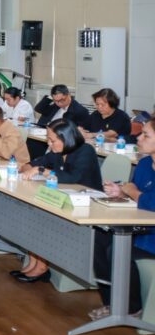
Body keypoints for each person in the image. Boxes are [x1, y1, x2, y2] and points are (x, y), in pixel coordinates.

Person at [17, 119, 103, 283]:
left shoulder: (85, 151)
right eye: (48, 139)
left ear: (67, 138)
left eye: (53, 140)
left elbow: (72, 178)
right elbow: (31, 164)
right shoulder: (57, 152)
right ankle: (35, 262)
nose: (49, 144)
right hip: (64, 200)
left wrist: (42, 170)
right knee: (33, 212)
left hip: (87, 206)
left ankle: (42, 266)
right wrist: (29, 168)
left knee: (42, 218)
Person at [92, 119, 155, 320]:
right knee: (99, 238)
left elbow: (148, 200)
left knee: (117, 249)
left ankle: (131, 307)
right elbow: (135, 193)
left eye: (146, 135)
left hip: (151, 236)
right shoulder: (145, 163)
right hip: (141, 227)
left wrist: (132, 191)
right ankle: (111, 302)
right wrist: (121, 191)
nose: (139, 138)